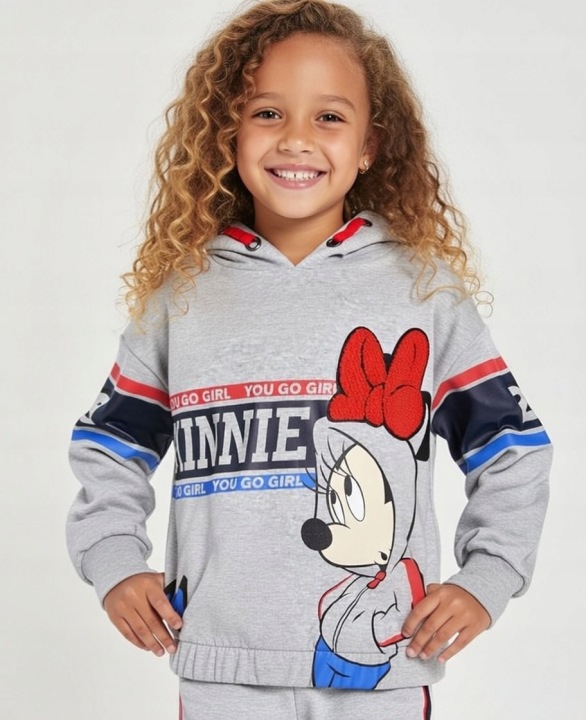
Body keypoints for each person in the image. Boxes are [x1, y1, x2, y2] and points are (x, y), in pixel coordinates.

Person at [66, 1, 551, 718]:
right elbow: (109, 448)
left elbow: (512, 449)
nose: (296, 139)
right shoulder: (180, 298)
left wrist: (490, 576)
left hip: (385, 667)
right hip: (221, 666)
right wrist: (113, 561)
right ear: (227, 133)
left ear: (369, 145)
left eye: (329, 117)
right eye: (267, 113)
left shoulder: (425, 293)